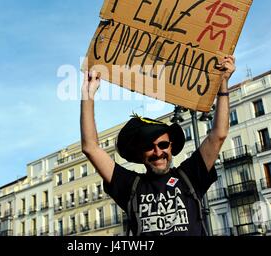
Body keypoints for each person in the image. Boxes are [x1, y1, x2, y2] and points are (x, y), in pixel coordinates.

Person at [80, 55, 235, 236]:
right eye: (149, 146)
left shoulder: (189, 177)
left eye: (163, 144)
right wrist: (88, 95)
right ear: (139, 154)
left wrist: (222, 84)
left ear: (170, 146)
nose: (158, 152)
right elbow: (90, 147)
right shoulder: (131, 186)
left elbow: (218, 135)